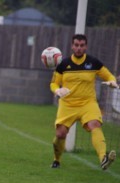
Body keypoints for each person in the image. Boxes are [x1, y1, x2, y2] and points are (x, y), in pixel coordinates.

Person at [50, 34, 118, 170]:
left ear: (85, 46)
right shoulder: (63, 64)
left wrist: (112, 82)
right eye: (76, 45)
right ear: (72, 46)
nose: (79, 48)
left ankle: (103, 158)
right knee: (60, 134)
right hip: (68, 104)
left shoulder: (94, 63)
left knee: (95, 124)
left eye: (81, 45)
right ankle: (57, 159)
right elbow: (53, 83)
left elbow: (109, 75)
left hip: (88, 103)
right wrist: (58, 91)